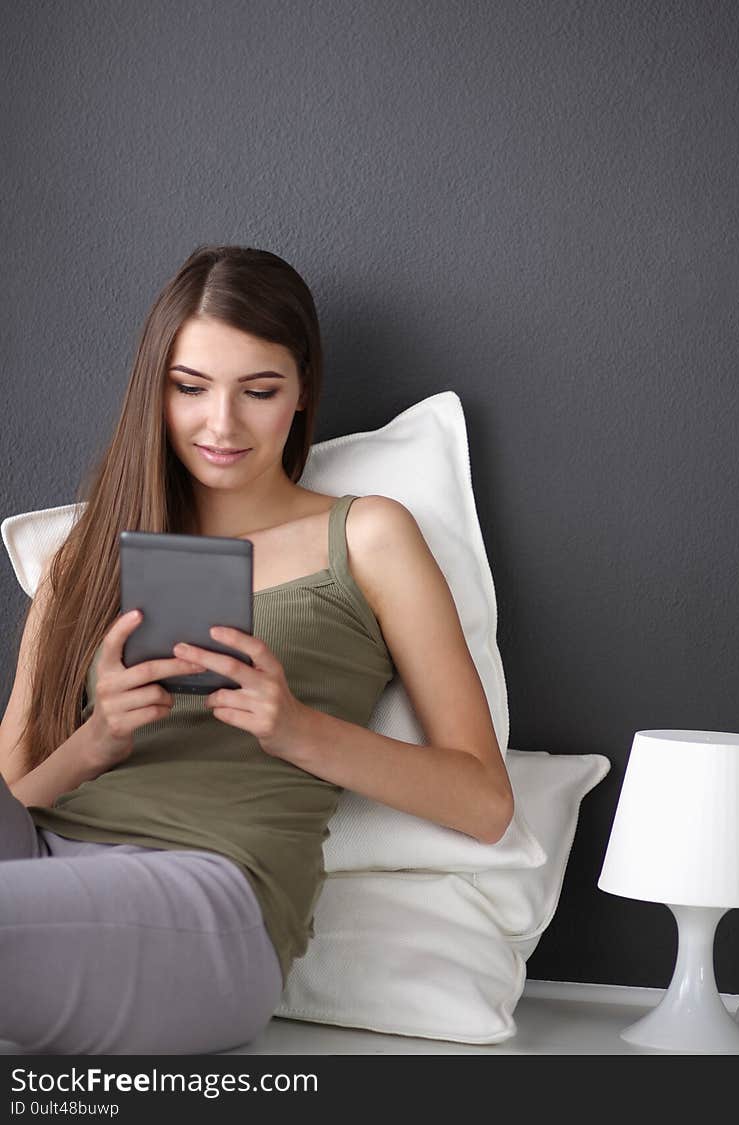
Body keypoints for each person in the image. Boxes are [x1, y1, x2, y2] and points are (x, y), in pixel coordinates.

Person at [0, 244, 514, 1055]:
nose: (222, 424)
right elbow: (17, 793)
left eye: (260, 391)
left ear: (302, 391)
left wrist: (296, 728)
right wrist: (99, 738)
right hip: (39, 852)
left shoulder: (368, 535)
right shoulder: (85, 555)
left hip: (206, 900)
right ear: (155, 390)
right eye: (191, 388)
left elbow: (485, 801)